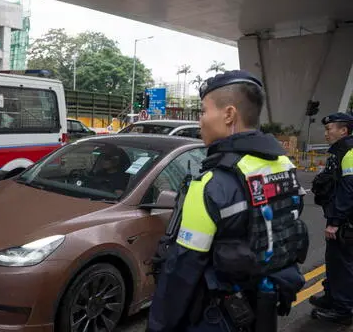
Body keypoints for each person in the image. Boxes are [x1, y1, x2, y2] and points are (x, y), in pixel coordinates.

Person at [147, 70, 309, 332]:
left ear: (229, 114)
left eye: (203, 111)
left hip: (216, 317)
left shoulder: (210, 184)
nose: (200, 121)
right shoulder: (284, 167)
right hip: (265, 306)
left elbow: (182, 270)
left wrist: (158, 327)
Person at [309, 112, 353, 325]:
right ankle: (332, 296)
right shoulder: (341, 151)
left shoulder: (349, 153)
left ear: (343, 130)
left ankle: (343, 309)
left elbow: (348, 190)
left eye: (329, 129)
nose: (326, 133)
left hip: (345, 221)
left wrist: (335, 222)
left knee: (342, 264)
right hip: (341, 217)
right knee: (334, 261)